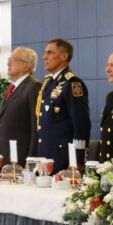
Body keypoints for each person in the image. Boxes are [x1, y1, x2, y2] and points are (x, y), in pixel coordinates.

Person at [36, 39, 90, 173]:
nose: (44, 57)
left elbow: (81, 125)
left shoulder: (72, 83)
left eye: (50, 52)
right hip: (45, 154)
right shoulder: (48, 83)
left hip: (62, 157)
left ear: (64, 56)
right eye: (45, 52)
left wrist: (77, 160)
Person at [0, 47, 41, 166]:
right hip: (5, 155)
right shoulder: (12, 87)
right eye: (9, 59)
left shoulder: (33, 87)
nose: (8, 63)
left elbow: (36, 126)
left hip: (21, 157)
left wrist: (31, 159)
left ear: (26, 65)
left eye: (13, 60)